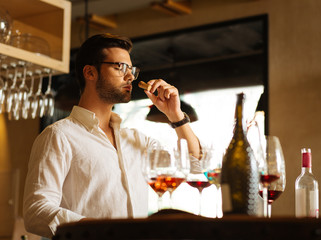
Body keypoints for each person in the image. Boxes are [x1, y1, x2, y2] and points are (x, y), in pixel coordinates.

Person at [23, 33, 202, 238]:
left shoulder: (137, 140)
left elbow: (194, 163)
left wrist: (176, 115)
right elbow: (36, 211)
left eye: (131, 70)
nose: (130, 77)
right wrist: (106, 232)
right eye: (120, 67)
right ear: (90, 72)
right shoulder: (59, 135)